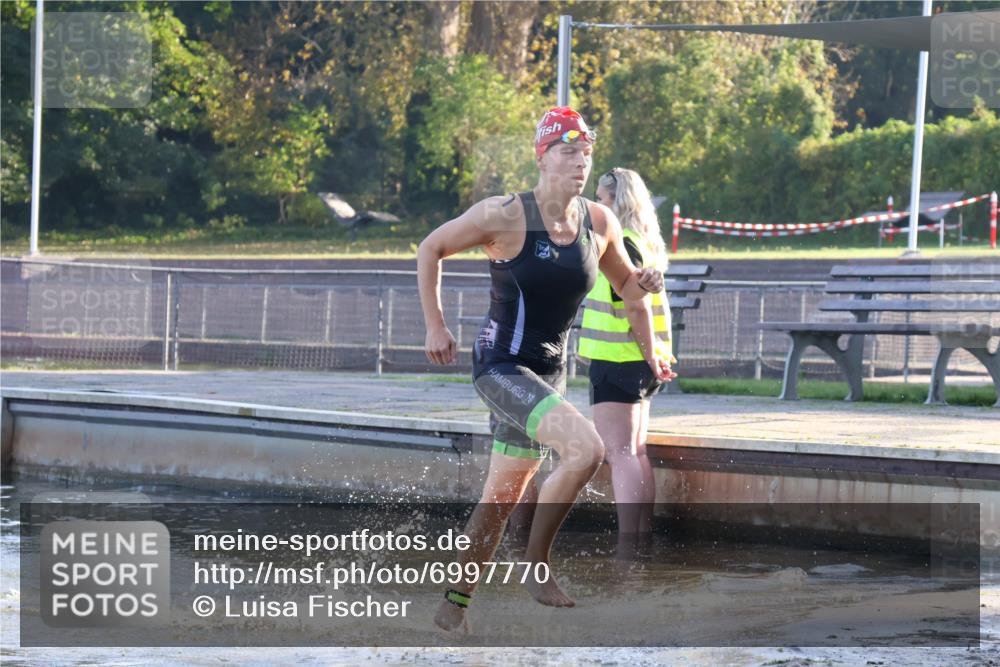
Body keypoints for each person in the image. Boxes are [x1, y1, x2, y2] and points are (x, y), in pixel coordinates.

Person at [417, 106, 673, 632]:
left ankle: (453, 607)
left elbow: (625, 287)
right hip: (501, 368)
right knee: (587, 449)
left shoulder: (598, 222)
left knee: (499, 499)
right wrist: (435, 325)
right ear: (542, 156)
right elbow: (431, 248)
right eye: (569, 151)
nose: (581, 162)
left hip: (549, 375)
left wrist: (645, 292)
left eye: (587, 153)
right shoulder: (504, 214)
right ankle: (537, 566)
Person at [578, 167, 676, 552]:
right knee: (635, 451)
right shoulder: (643, 241)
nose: (596, 207)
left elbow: (636, 308)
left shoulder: (623, 244)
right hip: (637, 359)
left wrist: (650, 356)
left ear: (617, 201)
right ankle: (640, 538)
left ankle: (626, 544)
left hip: (620, 357)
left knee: (619, 454)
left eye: (600, 198)